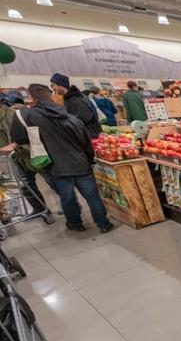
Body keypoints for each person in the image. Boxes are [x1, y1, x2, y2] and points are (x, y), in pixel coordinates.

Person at [10, 84, 114, 233]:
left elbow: (19, 138)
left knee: (67, 198)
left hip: (56, 166)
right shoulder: (71, 118)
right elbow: (86, 143)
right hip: (80, 163)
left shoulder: (27, 116)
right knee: (92, 196)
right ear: (50, 95)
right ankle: (103, 224)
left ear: (32, 97)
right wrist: (89, 159)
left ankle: (75, 223)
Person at [0, 91, 48, 215]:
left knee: (51, 179)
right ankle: (40, 209)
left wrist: (15, 144)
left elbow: (28, 132)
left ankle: (72, 206)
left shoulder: (12, 113)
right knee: (25, 184)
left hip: (31, 152)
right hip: (16, 157)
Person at [49, 73, 101, 138]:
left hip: (90, 134)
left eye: (53, 85)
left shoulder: (75, 99)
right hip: (85, 134)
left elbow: (85, 117)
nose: (53, 88)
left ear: (61, 86)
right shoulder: (69, 98)